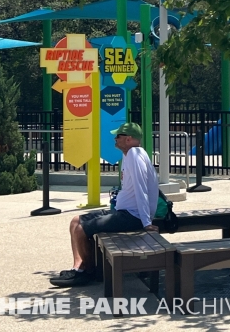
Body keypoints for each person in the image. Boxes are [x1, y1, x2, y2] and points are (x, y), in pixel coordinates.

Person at [50, 122, 159, 287]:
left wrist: (146, 222)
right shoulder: (129, 154)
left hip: (132, 216)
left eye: (118, 136)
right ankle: (78, 268)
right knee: (75, 221)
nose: (115, 139)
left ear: (129, 139)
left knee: (81, 229)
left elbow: (141, 189)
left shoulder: (136, 155)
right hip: (123, 212)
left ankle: (88, 272)